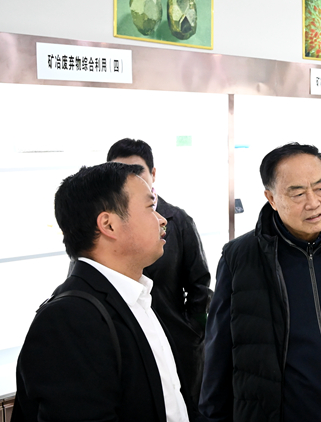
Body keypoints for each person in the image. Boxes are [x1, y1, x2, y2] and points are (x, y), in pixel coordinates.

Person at [200, 143, 321, 422]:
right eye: (297, 193)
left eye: (320, 188)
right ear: (271, 198)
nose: (313, 202)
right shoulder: (240, 258)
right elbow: (218, 358)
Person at [14, 162, 201, 421]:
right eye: (150, 208)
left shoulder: (137, 298)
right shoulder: (69, 320)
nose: (161, 220)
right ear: (108, 224)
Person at [105, 138, 212, 405]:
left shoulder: (178, 220)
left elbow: (200, 284)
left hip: (177, 341)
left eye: (136, 171)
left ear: (153, 174)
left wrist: (192, 332)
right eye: (119, 172)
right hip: (122, 342)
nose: (128, 179)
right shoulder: (103, 227)